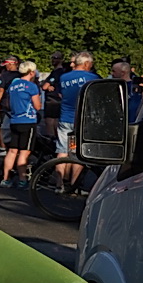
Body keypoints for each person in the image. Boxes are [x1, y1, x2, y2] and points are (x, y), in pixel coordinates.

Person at [55, 51, 99, 192]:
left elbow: (61, 93)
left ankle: (59, 184)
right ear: (86, 64)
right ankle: (74, 185)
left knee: (62, 151)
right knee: (77, 152)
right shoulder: (93, 78)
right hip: (82, 119)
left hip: (65, 117)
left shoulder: (64, 77)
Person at [0, 61, 43, 188]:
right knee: (24, 152)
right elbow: (38, 106)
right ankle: (23, 180)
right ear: (32, 72)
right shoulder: (32, 86)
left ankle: (5, 178)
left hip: (14, 119)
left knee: (12, 151)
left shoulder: (13, 85)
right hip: (28, 121)